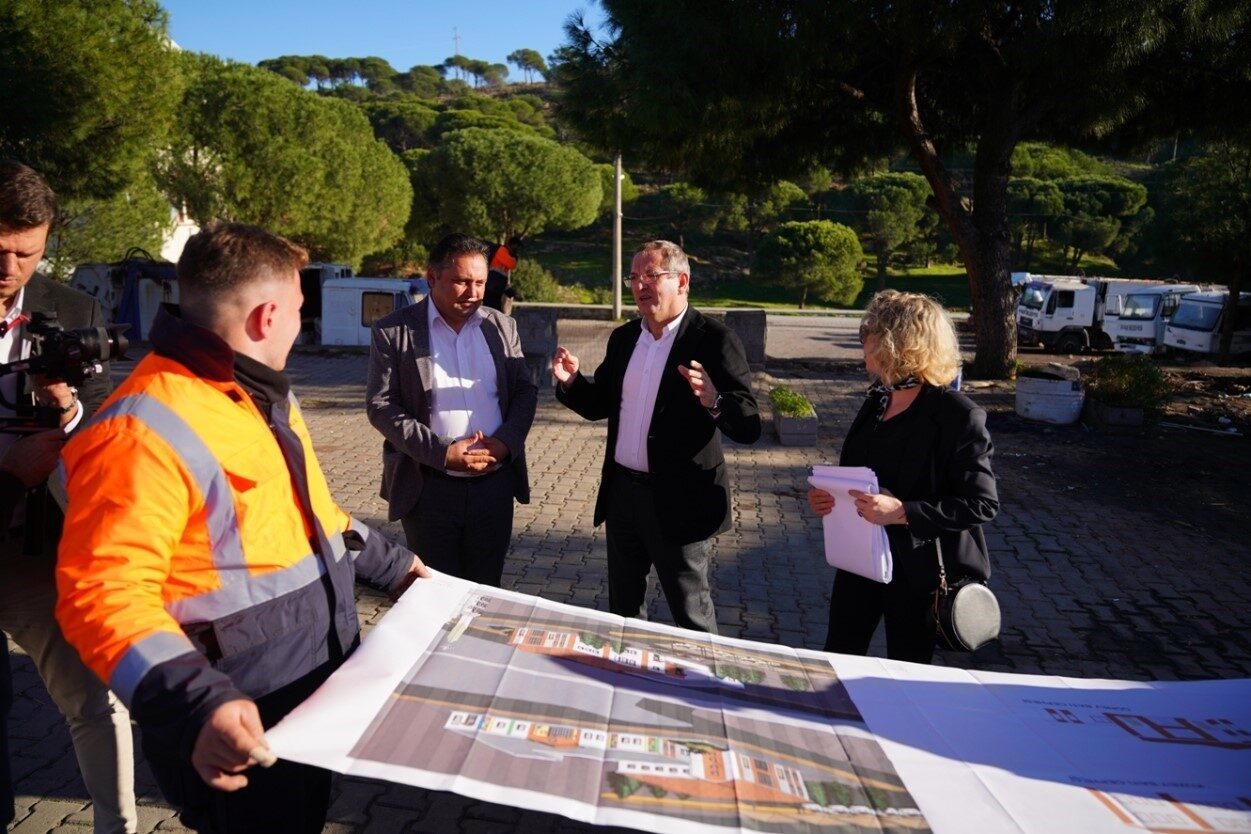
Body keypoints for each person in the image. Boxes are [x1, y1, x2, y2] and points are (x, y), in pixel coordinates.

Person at [55, 222, 428, 834]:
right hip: (233, 716)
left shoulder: (263, 395)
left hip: (305, 688)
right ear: (267, 316)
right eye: (299, 313)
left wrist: (395, 568)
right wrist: (198, 702)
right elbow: (101, 595)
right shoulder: (141, 428)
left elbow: (314, 517)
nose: (300, 327)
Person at [0, 160, 137, 833]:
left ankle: (117, 826)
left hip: (39, 548)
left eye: (27, 251)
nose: (10, 267)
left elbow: (106, 430)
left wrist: (69, 414)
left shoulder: (75, 311)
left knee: (94, 702)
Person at [552, 240, 760, 633]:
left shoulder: (713, 339)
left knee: (691, 615)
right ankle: (625, 683)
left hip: (680, 500)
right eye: (634, 277)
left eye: (651, 276)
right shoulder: (625, 337)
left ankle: (705, 688)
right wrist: (573, 382)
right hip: (623, 497)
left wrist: (715, 401)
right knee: (623, 614)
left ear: (682, 281)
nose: (640, 285)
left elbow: (749, 424)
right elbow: (601, 403)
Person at [807, 290, 998, 664]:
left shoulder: (958, 416)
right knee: (837, 662)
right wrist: (829, 499)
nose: (863, 342)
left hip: (918, 577)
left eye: (871, 334)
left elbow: (982, 503)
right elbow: (860, 475)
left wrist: (902, 511)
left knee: (907, 675)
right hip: (860, 563)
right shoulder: (877, 401)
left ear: (899, 343)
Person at [367, 233, 537, 586]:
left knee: (485, 591)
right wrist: (443, 453)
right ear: (432, 278)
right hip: (428, 487)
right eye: (461, 282)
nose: (473, 293)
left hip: (494, 486)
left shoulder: (502, 327)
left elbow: (524, 390)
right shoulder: (394, 331)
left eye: (480, 282)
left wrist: (505, 443)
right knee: (434, 594)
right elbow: (381, 404)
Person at [483, 238, 520, 315]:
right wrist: (515, 257)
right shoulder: (501, 250)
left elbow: (502, 275)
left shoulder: (505, 253)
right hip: (492, 287)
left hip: (496, 288)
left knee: (494, 311)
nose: (517, 250)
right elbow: (512, 264)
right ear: (511, 245)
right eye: (516, 247)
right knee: (491, 310)